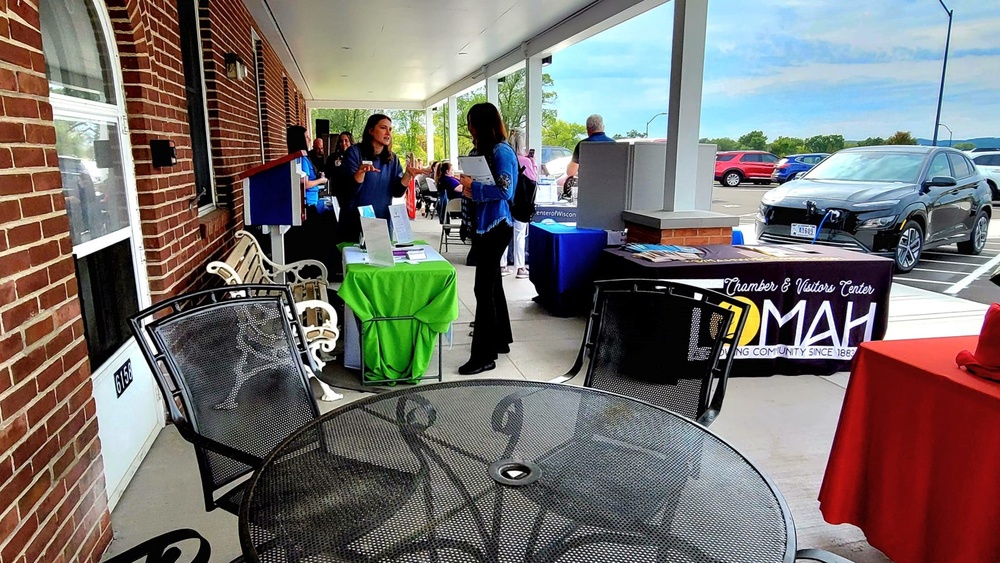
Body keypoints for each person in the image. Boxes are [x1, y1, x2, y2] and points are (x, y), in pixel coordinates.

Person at [457, 102, 517, 375]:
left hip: (497, 225)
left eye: (471, 122)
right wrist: (470, 191)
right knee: (492, 286)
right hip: (484, 225)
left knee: (483, 288)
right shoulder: (481, 152)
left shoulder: (501, 150)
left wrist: (474, 187)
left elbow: (505, 190)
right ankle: (500, 340)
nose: (468, 127)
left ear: (481, 124)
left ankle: (484, 355)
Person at [336, 114, 422, 243]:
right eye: (383, 128)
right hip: (354, 221)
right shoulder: (354, 152)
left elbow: (397, 192)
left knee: (381, 261)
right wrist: (360, 172)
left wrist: (407, 175)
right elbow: (349, 190)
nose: (388, 133)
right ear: (371, 131)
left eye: (390, 129)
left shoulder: (392, 158)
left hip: (381, 221)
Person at [282, 125, 331, 268]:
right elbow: (304, 183)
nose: (309, 139)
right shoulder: (300, 158)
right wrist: (321, 180)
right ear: (300, 139)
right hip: (306, 208)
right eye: (307, 136)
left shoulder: (303, 157)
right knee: (312, 245)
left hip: (310, 205)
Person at [500, 128, 536, 279]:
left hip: (505, 201)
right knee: (520, 235)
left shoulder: (505, 157)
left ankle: (502, 265)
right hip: (521, 202)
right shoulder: (526, 161)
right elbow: (533, 181)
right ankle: (520, 267)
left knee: (503, 234)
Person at [563, 114, 615, 198]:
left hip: (588, 192)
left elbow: (570, 172)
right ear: (603, 127)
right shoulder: (614, 145)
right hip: (611, 191)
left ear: (587, 128)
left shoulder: (582, 145)